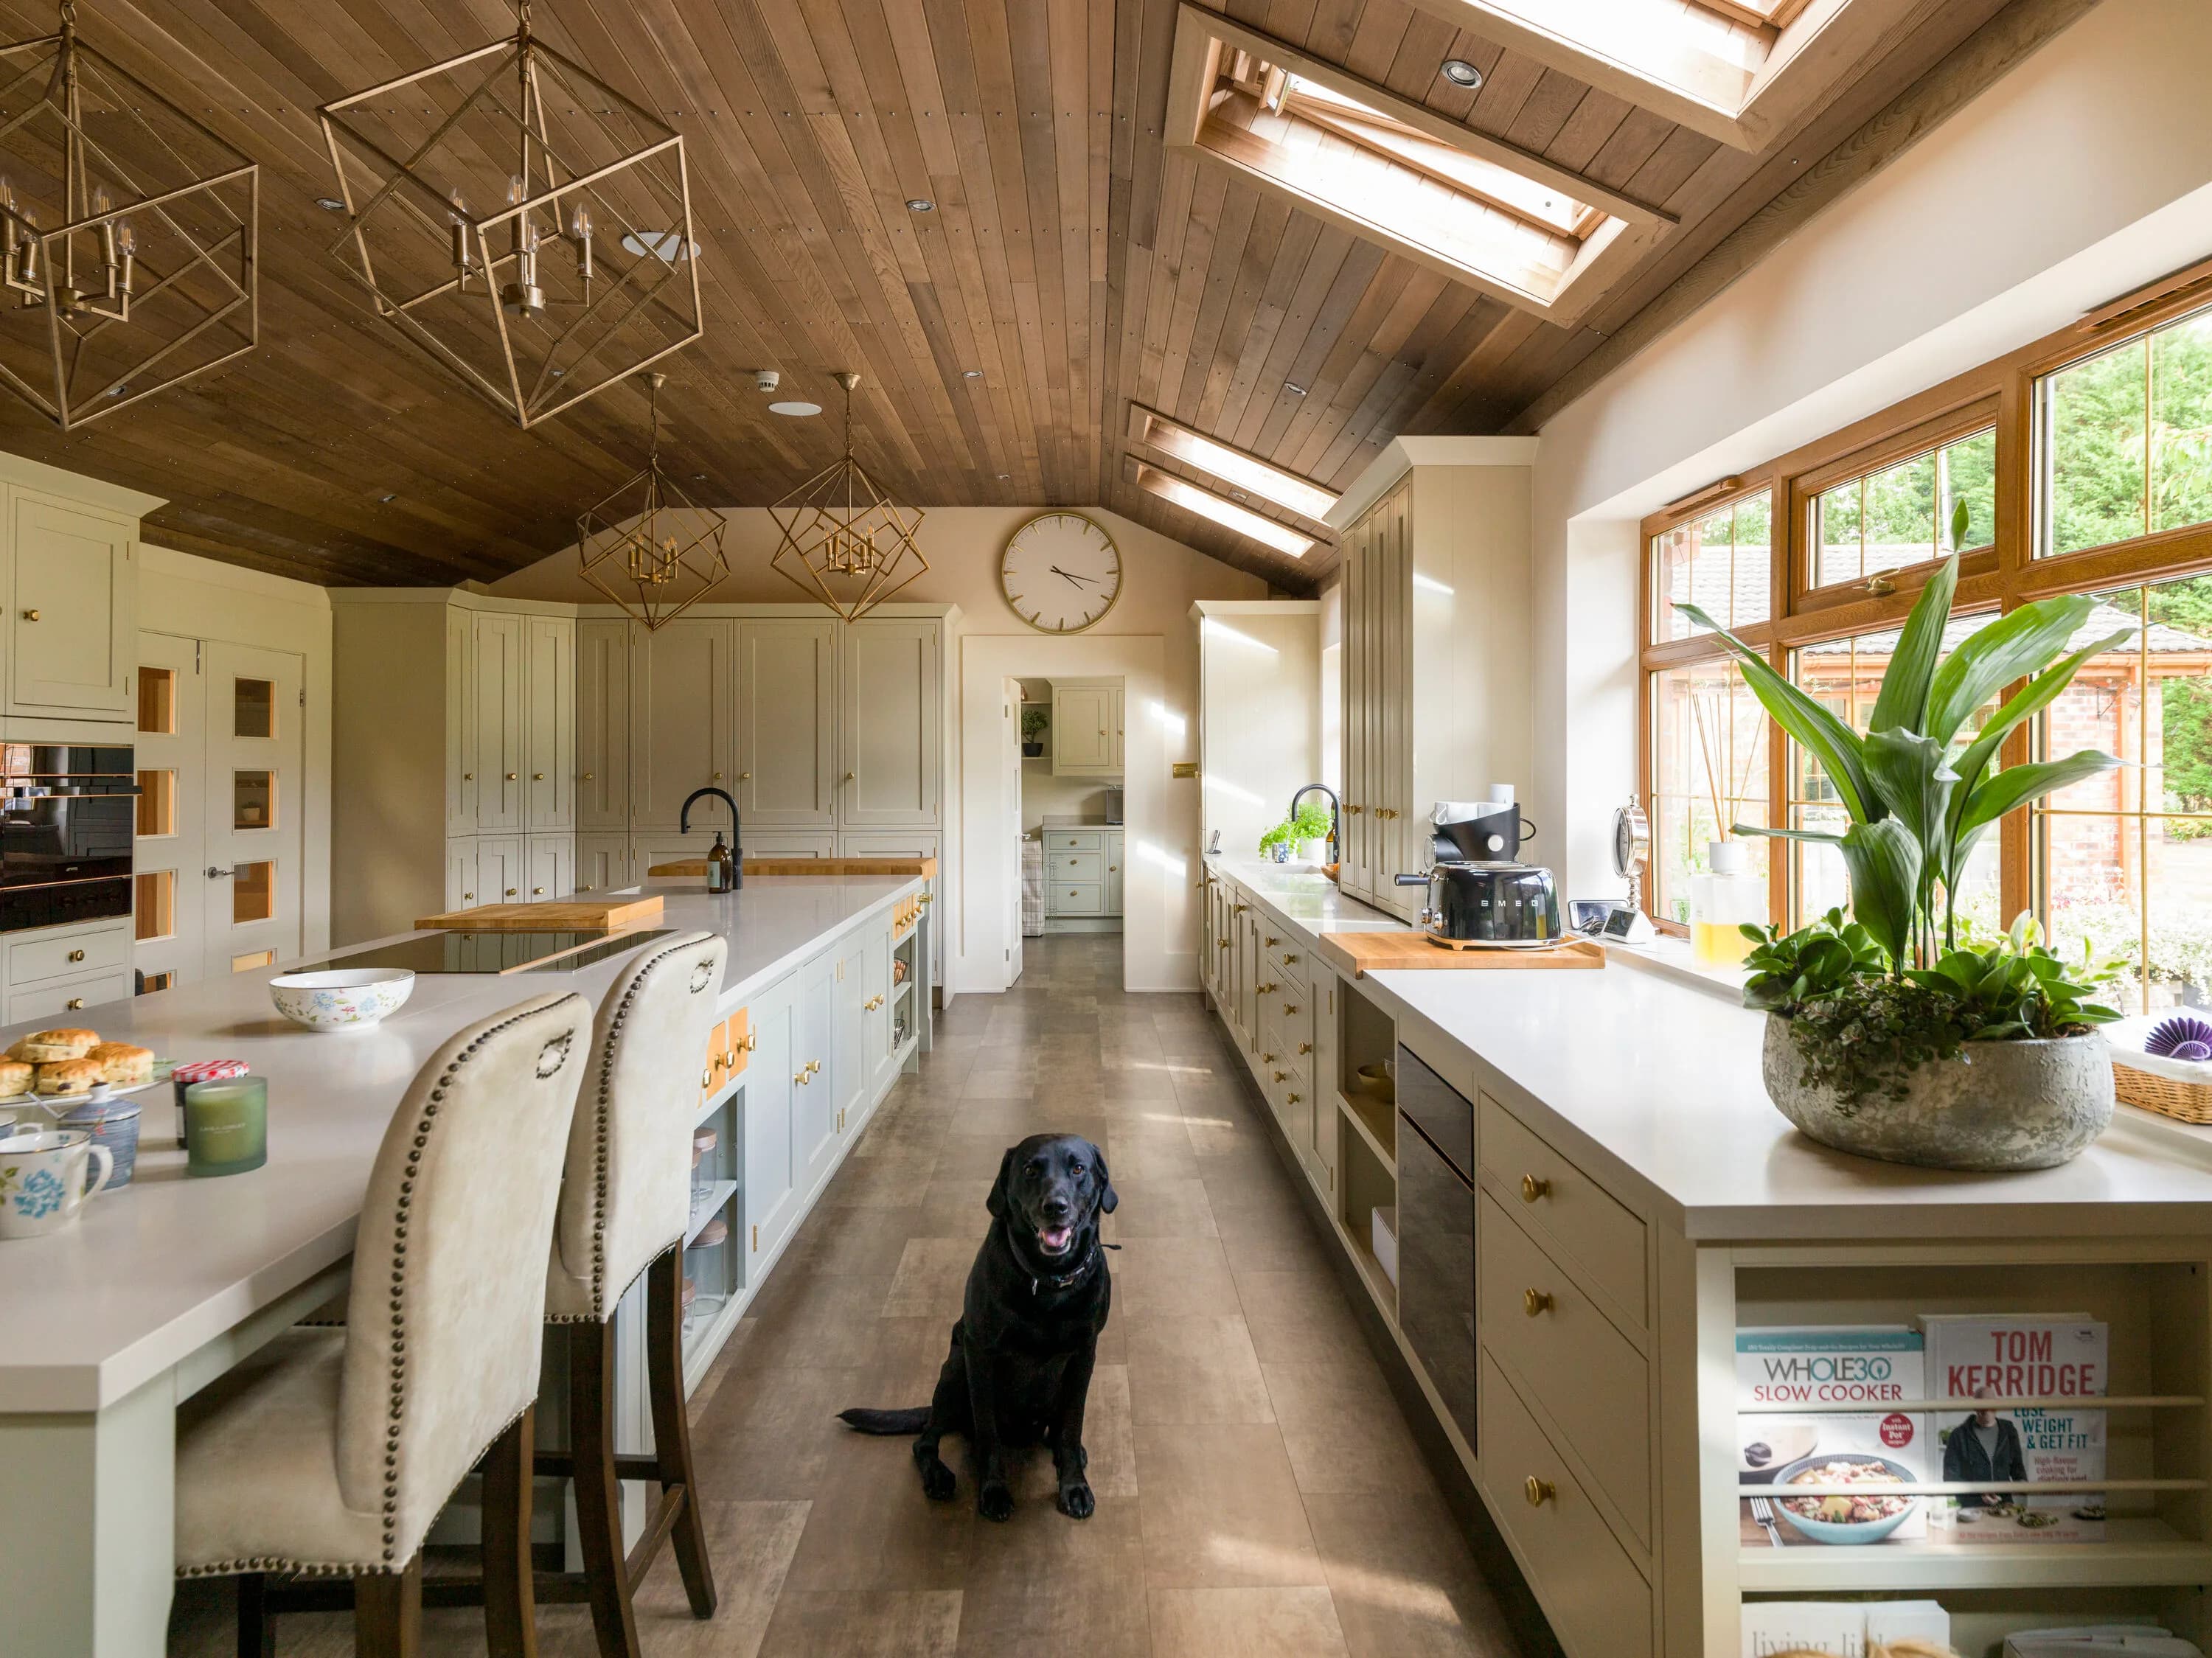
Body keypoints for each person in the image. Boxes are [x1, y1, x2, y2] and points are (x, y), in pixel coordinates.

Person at [1942, 1406, 2026, 1506]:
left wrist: (2021, 1484)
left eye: (1990, 1404)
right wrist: (1979, 1494)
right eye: (1983, 1404)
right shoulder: (1958, 1435)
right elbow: (1950, 1477)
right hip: (1971, 1509)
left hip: (2004, 1507)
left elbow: (2018, 1467)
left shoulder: (2009, 1431)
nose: (1987, 1409)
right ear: (1976, 1407)